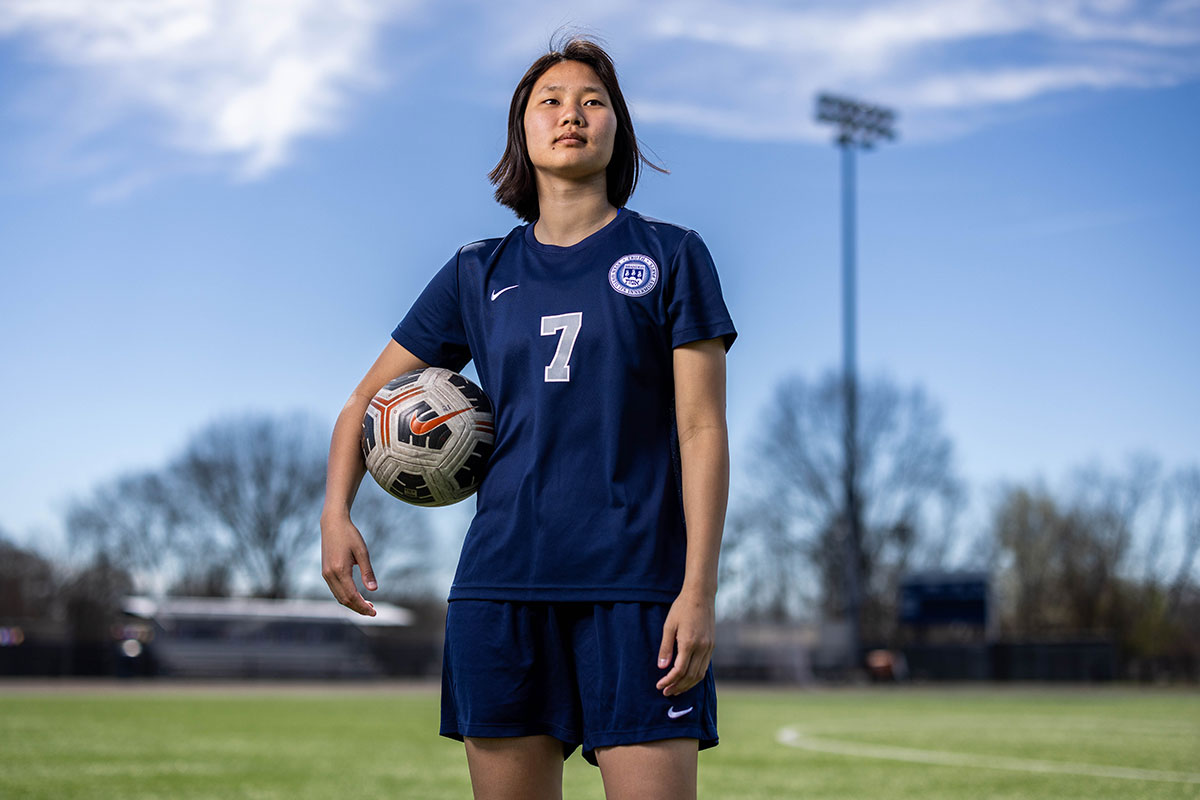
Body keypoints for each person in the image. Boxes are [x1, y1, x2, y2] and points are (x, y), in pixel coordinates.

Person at [320, 35, 736, 800]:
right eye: (549, 101)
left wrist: (698, 588)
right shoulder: (479, 270)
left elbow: (702, 431)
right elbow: (362, 402)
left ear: (618, 129)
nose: (570, 114)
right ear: (522, 133)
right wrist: (335, 513)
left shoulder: (673, 255)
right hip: (502, 586)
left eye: (592, 101)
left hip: (639, 588)